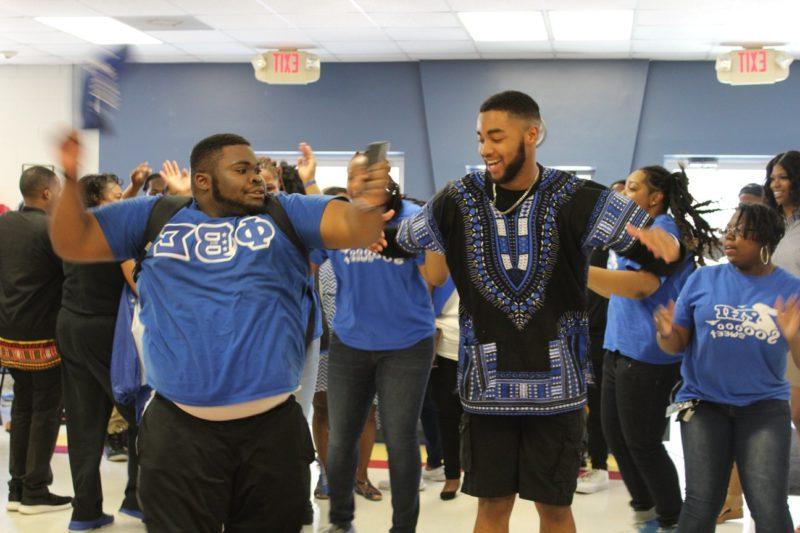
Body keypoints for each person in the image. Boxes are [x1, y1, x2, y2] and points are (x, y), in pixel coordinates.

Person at [49, 130, 393, 533]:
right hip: (178, 434)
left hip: (271, 433)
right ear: (203, 181)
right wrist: (71, 177)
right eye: (242, 170)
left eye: (256, 169)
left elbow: (357, 227)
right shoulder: (153, 215)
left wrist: (368, 203)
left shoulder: (285, 212)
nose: (257, 178)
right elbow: (73, 241)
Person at [382, 90, 682, 533]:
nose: (485, 148)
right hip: (485, 389)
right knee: (492, 508)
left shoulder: (579, 198)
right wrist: (370, 216)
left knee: (556, 510)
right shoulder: (457, 200)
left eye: (496, 137)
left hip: (558, 391)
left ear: (533, 134)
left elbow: (655, 254)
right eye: (480, 138)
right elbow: (397, 241)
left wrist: (667, 247)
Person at [315, 164, 447, 533]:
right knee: (342, 436)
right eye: (354, 176)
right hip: (351, 342)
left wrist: (427, 234)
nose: (361, 182)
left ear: (386, 180)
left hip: (406, 344)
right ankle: (340, 522)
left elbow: (436, 277)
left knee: (401, 437)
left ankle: (403, 528)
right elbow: (311, 259)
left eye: (368, 175)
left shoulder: (414, 217)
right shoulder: (341, 218)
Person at [654, 202, 800, 532]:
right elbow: (676, 344)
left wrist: (793, 337)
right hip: (704, 405)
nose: (730, 238)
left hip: (763, 408)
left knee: (769, 505)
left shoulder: (790, 288)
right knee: (701, 504)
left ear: (766, 241)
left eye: (741, 233)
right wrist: (666, 332)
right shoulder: (703, 278)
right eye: (729, 230)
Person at [588, 166, 718, 530]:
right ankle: (645, 507)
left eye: (632, 188)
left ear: (655, 197)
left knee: (642, 441)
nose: (624, 195)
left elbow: (642, 285)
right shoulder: (634, 232)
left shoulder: (663, 228)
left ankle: (671, 517)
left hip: (648, 355)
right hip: (618, 349)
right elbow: (614, 286)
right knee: (616, 435)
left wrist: (576, 274)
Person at [55, 171, 144, 531]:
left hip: (70, 324)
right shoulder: (114, 233)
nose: (123, 202)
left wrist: (135, 187)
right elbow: (136, 282)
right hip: (104, 330)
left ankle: (86, 511)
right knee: (140, 414)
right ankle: (137, 499)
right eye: (117, 197)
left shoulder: (74, 229)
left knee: (83, 422)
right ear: (99, 201)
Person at [0, 166, 72, 514]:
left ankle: (16, 489)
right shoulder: (50, 229)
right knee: (45, 411)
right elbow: (70, 278)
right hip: (43, 334)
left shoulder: (5, 224)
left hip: (9, 333)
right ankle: (36, 490)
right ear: (46, 193)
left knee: (22, 407)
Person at [575, 178, 625, 495]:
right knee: (590, 402)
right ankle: (594, 463)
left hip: (621, 336)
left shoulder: (633, 244)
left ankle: (613, 464)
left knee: (617, 408)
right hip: (589, 331)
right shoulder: (589, 239)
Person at [429, 277, 462, 500]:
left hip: (483, 343)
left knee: (485, 418)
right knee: (447, 414)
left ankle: (480, 473)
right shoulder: (437, 253)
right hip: (443, 341)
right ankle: (452, 475)